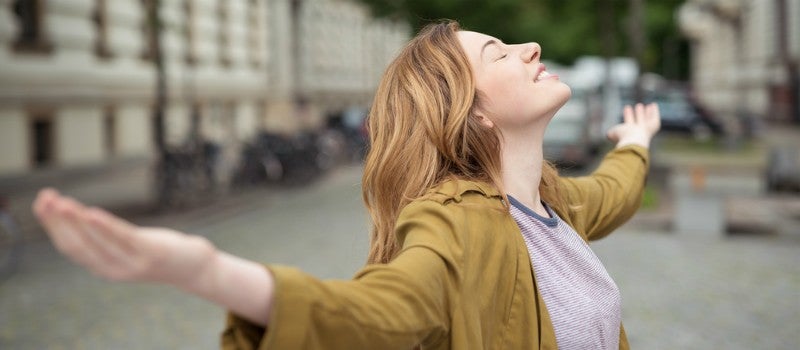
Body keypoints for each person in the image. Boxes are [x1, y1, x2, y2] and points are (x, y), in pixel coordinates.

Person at [32, 21, 660, 350]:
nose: (530, 47)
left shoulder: (550, 203)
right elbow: (378, 312)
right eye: (499, 53)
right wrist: (208, 271)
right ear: (471, 111)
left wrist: (634, 144)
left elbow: (613, 191)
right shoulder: (457, 222)